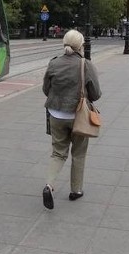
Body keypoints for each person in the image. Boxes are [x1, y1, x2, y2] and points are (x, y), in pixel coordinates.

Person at [42, 29, 101, 209]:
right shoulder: (86, 64)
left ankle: (49, 185)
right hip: (78, 116)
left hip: (56, 115)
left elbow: (46, 89)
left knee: (58, 152)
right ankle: (76, 190)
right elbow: (96, 94)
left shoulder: (53, 63)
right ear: (81, 45)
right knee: (78, 153)